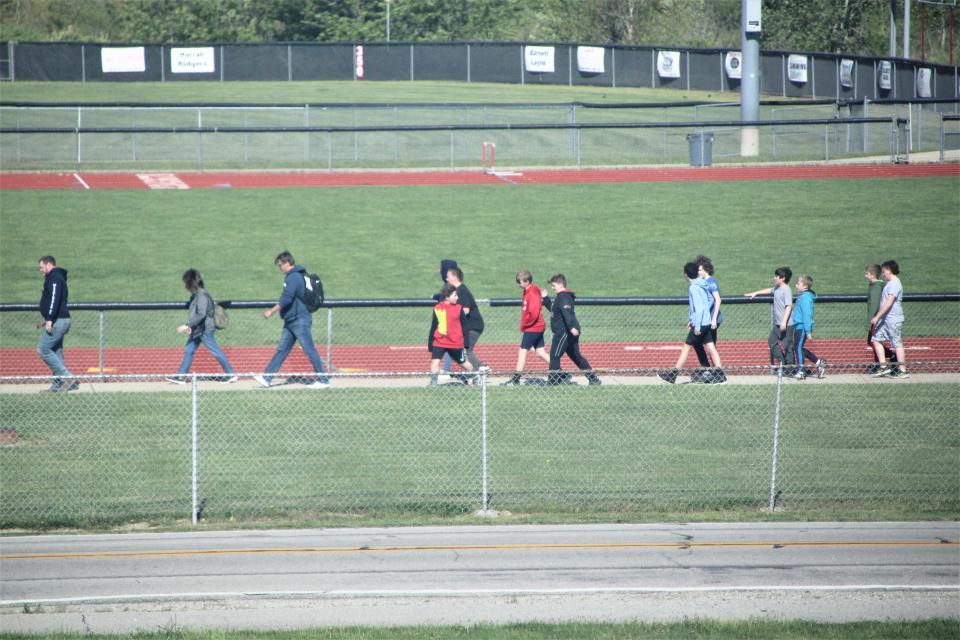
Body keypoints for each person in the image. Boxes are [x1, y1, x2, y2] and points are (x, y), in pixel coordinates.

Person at [253, 251, 330, 389]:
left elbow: (287, 298)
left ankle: (323, 380)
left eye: (280, 265)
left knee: (309, 349)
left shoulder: (293, 277)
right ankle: (267, 378)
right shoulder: (298, 275)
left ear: (287, 263)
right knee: (282, 349)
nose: (280, 268)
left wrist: (271, 311)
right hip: (292, 320)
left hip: (299, 320)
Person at [167, 269, 238, 384]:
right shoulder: (197, 295)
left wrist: (187, 325)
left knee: (215, 350)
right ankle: (181, 376)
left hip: (204, 329)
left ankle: (231, 374)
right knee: (189, 350)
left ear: (191, 283)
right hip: (198, 329)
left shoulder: (201, 296)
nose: (185, 285)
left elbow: (201, 314)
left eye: (186, 283)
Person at [658, 262, 725, 384]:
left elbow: (698, 308)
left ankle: (673, 375)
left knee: (686, 347)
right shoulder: (703, 284)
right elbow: (711, 300)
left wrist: (696, 324)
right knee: (711, 346)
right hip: (707, 322)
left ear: (686, 274)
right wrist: (699, 316)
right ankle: (720, 376)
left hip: (700, 324)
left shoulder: (694, 287)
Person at [542, 274, 601, 386]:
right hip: (567, 331)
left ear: (560, 284)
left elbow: (566, 313)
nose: (552, 288)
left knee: (554, 355)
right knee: (576, 356)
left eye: (554, 285)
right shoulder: (561, 296)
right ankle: (593, 379)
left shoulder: (563, 296)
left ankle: (552, 382)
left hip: (564, 331)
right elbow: (554, 310)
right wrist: (545, 298)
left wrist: (571, 327)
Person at [501, 270, 551, 386]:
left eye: (520, 282)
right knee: (540, 352)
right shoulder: (527, 290)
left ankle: (516, 379)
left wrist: (525, 325)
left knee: (522, 351)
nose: (518, 284)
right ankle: (561, 372)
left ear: (527, 281)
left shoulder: (532, 293)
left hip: (533, 327)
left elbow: (533, 313)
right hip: (536, 327)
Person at [37, 255, 78, 392]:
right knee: (56, 351)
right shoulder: (55, 277)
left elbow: (54, 299)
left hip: (58, 320)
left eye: (41, 267)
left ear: (49, 265)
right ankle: (57, 385)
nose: (41, 270)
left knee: (43, 349)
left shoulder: (54, 278)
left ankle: (69, 378)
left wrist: (50, 318)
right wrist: (47, 319)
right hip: (58, 319)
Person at [745, 267, 794, 370]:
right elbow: (769, 290)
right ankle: (782, 363)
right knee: (772, 341)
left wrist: (784, 322)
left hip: (787, 324)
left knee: (787, 347)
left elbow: (789, 306)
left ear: (783, 278)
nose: (774, 278)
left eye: (776, 276)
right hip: (777, 324)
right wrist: (756, 293)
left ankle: (790, 370)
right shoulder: (777, 288)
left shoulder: (786, 290)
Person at [428, 283, 475, 385]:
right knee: (434, 365)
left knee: (464, 364)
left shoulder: (458, 308)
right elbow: (433, 326)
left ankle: (474, 377)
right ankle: (433, 384)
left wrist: (466, 343)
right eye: (454, 295)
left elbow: (465, 326)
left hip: (455, 343)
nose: (457, 297)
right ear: (447, 297)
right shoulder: (437, 308)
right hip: (439, 342)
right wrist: (430, 343)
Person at [870, 260, 908, 378]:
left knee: (896, 343)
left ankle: (902, 370)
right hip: (885, 319)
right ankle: (883, 367)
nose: (883, 274)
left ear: (890, 271)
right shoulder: (890, 283)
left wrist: (877, 316)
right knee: (876, 339)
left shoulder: (895, 283)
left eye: (884, 271)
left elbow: (889, 302)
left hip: (893, 319)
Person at [444, 267, 486, 372]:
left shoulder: (461, 290)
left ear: (454, 277)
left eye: (448, 276)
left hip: (473, 326)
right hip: (469, 326)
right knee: (459, 350)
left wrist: (452, 318)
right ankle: (480, 368)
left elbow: (466, 310)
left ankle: (478, 372)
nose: (446, 279)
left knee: (467, 350)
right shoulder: (457, 290)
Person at [785, 274, 826, 380]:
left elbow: (807, 315)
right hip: (799, 326)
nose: (796, 285)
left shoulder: (805, 298)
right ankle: (818, 362)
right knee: (797, 348)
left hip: (803, 327)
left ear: (805, 286)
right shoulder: (802, 296)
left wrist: (808, 331)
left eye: (798, 283)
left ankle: (801, 371)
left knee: (797, 347)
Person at [693, 256, 725, 383]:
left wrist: (713, 319)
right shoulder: (703, 283)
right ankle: (710, 371)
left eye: (700, 270)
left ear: (706, 270)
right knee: (700, 343)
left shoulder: (711, 282)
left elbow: (718, 300)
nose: (698, 272)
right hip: (706, 320)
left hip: (711, 321)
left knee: (709, 346)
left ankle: (716, 373)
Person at [865, 264, 896, 373]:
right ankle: (881, 363)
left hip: (876, 319)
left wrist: (870, 322)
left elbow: (874, 306)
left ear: (873, 275)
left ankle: (890, 358)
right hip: (877, 318)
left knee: (873, 341)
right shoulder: (876, 286)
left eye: (867, 274)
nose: (865, 275)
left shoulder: (876, 288)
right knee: (873, 341)